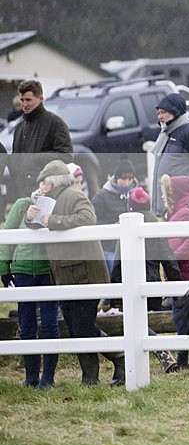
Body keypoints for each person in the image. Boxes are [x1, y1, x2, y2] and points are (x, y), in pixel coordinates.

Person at [26, 160, 124, 386]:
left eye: (44, 181)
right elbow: (38, 226)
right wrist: (31, 218)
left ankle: (111, 364)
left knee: (82, 327)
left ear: (54, 182)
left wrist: (54, 221)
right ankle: (99, 373)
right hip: (68, 274)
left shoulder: (73, 195)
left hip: (85, 273)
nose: (41, 186)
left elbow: (88, 217)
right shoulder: (48, 200)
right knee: (78, 327)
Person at [109, 187, 182, 373]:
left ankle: (159, 352)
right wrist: (177, 286)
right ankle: (160, 352)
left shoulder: (125, 224)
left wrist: (113, 295)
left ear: (130, 207)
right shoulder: (155, 224)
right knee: (147, 322)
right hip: (153, 283)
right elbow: (168, 258)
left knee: (135, 322)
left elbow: (118, 262)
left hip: (130, 283)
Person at [0, 187, 59, 389]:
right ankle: (31, 377)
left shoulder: (57, 205)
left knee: (50, 324)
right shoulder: (22, 204)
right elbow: (7, 233)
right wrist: (4, 268)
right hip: (24, 270)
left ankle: (48, 378)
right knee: (26, 325)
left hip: (47, 271)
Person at [160, 173, 189, 369]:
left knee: (182, 317)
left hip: (186, 273)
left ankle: (185, 357)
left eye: (166, 193)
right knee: (183, 317)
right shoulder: (175, 214)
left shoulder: (185, 213)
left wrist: (172, 259)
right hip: (179, 273)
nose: (162, 197)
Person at [8, 80, 73, 202]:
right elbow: (16, 160)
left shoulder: (55, 123)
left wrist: (36, 158)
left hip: (46, 191)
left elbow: (67, 155)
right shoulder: (19, 127)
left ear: (41, 98)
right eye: (22, 100)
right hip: (22, 193)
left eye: (28, 100)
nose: (24, 104)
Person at [150, 93, 189, 217]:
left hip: (184, 206)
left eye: (164, 112)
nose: (160, 116)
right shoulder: (166, 134)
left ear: (176, 111)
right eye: (158, 113)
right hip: (168, 206)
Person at [92, 156, 138, 311]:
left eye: (130, 179)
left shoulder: (136, 194)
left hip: (130, 246)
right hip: (109, 247)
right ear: (116, 178)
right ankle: (108, 303)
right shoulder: (101, 196)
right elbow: (93, 221)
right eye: (123, 179)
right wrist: (112, 227)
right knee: (113, 272)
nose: (127, 183)